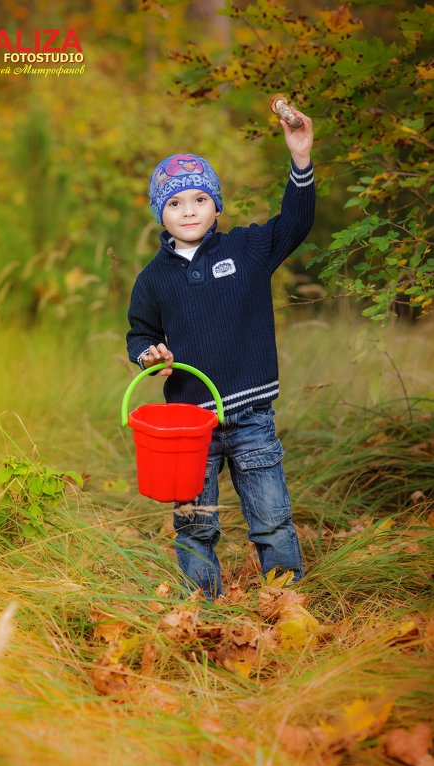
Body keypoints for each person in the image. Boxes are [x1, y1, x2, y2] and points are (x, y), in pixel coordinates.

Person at [126, 107, 315, 599]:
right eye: (175, 203)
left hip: (252, 415)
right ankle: (201, 606)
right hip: (191, 427)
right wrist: (147, 354)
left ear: (216, 206)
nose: (188, 210)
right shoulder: (153, 279)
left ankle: (284, 597)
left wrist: (300, 159)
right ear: (159, 213)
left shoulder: (248, 250)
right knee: (195, 525)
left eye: (200, 198)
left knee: (271, 520)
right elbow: (138, 334)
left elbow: (295, 223)